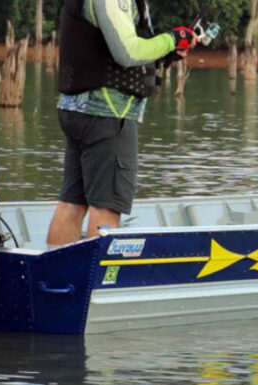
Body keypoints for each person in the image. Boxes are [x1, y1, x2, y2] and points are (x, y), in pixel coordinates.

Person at [47, 0, 197, 245]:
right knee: (105, 208)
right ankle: (94, 282)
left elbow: (110, 47)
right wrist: (172, 38)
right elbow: (128, 52)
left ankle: (52, 278)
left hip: (77, 111)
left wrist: (165, 51)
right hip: (107, 115)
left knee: (73, 203)